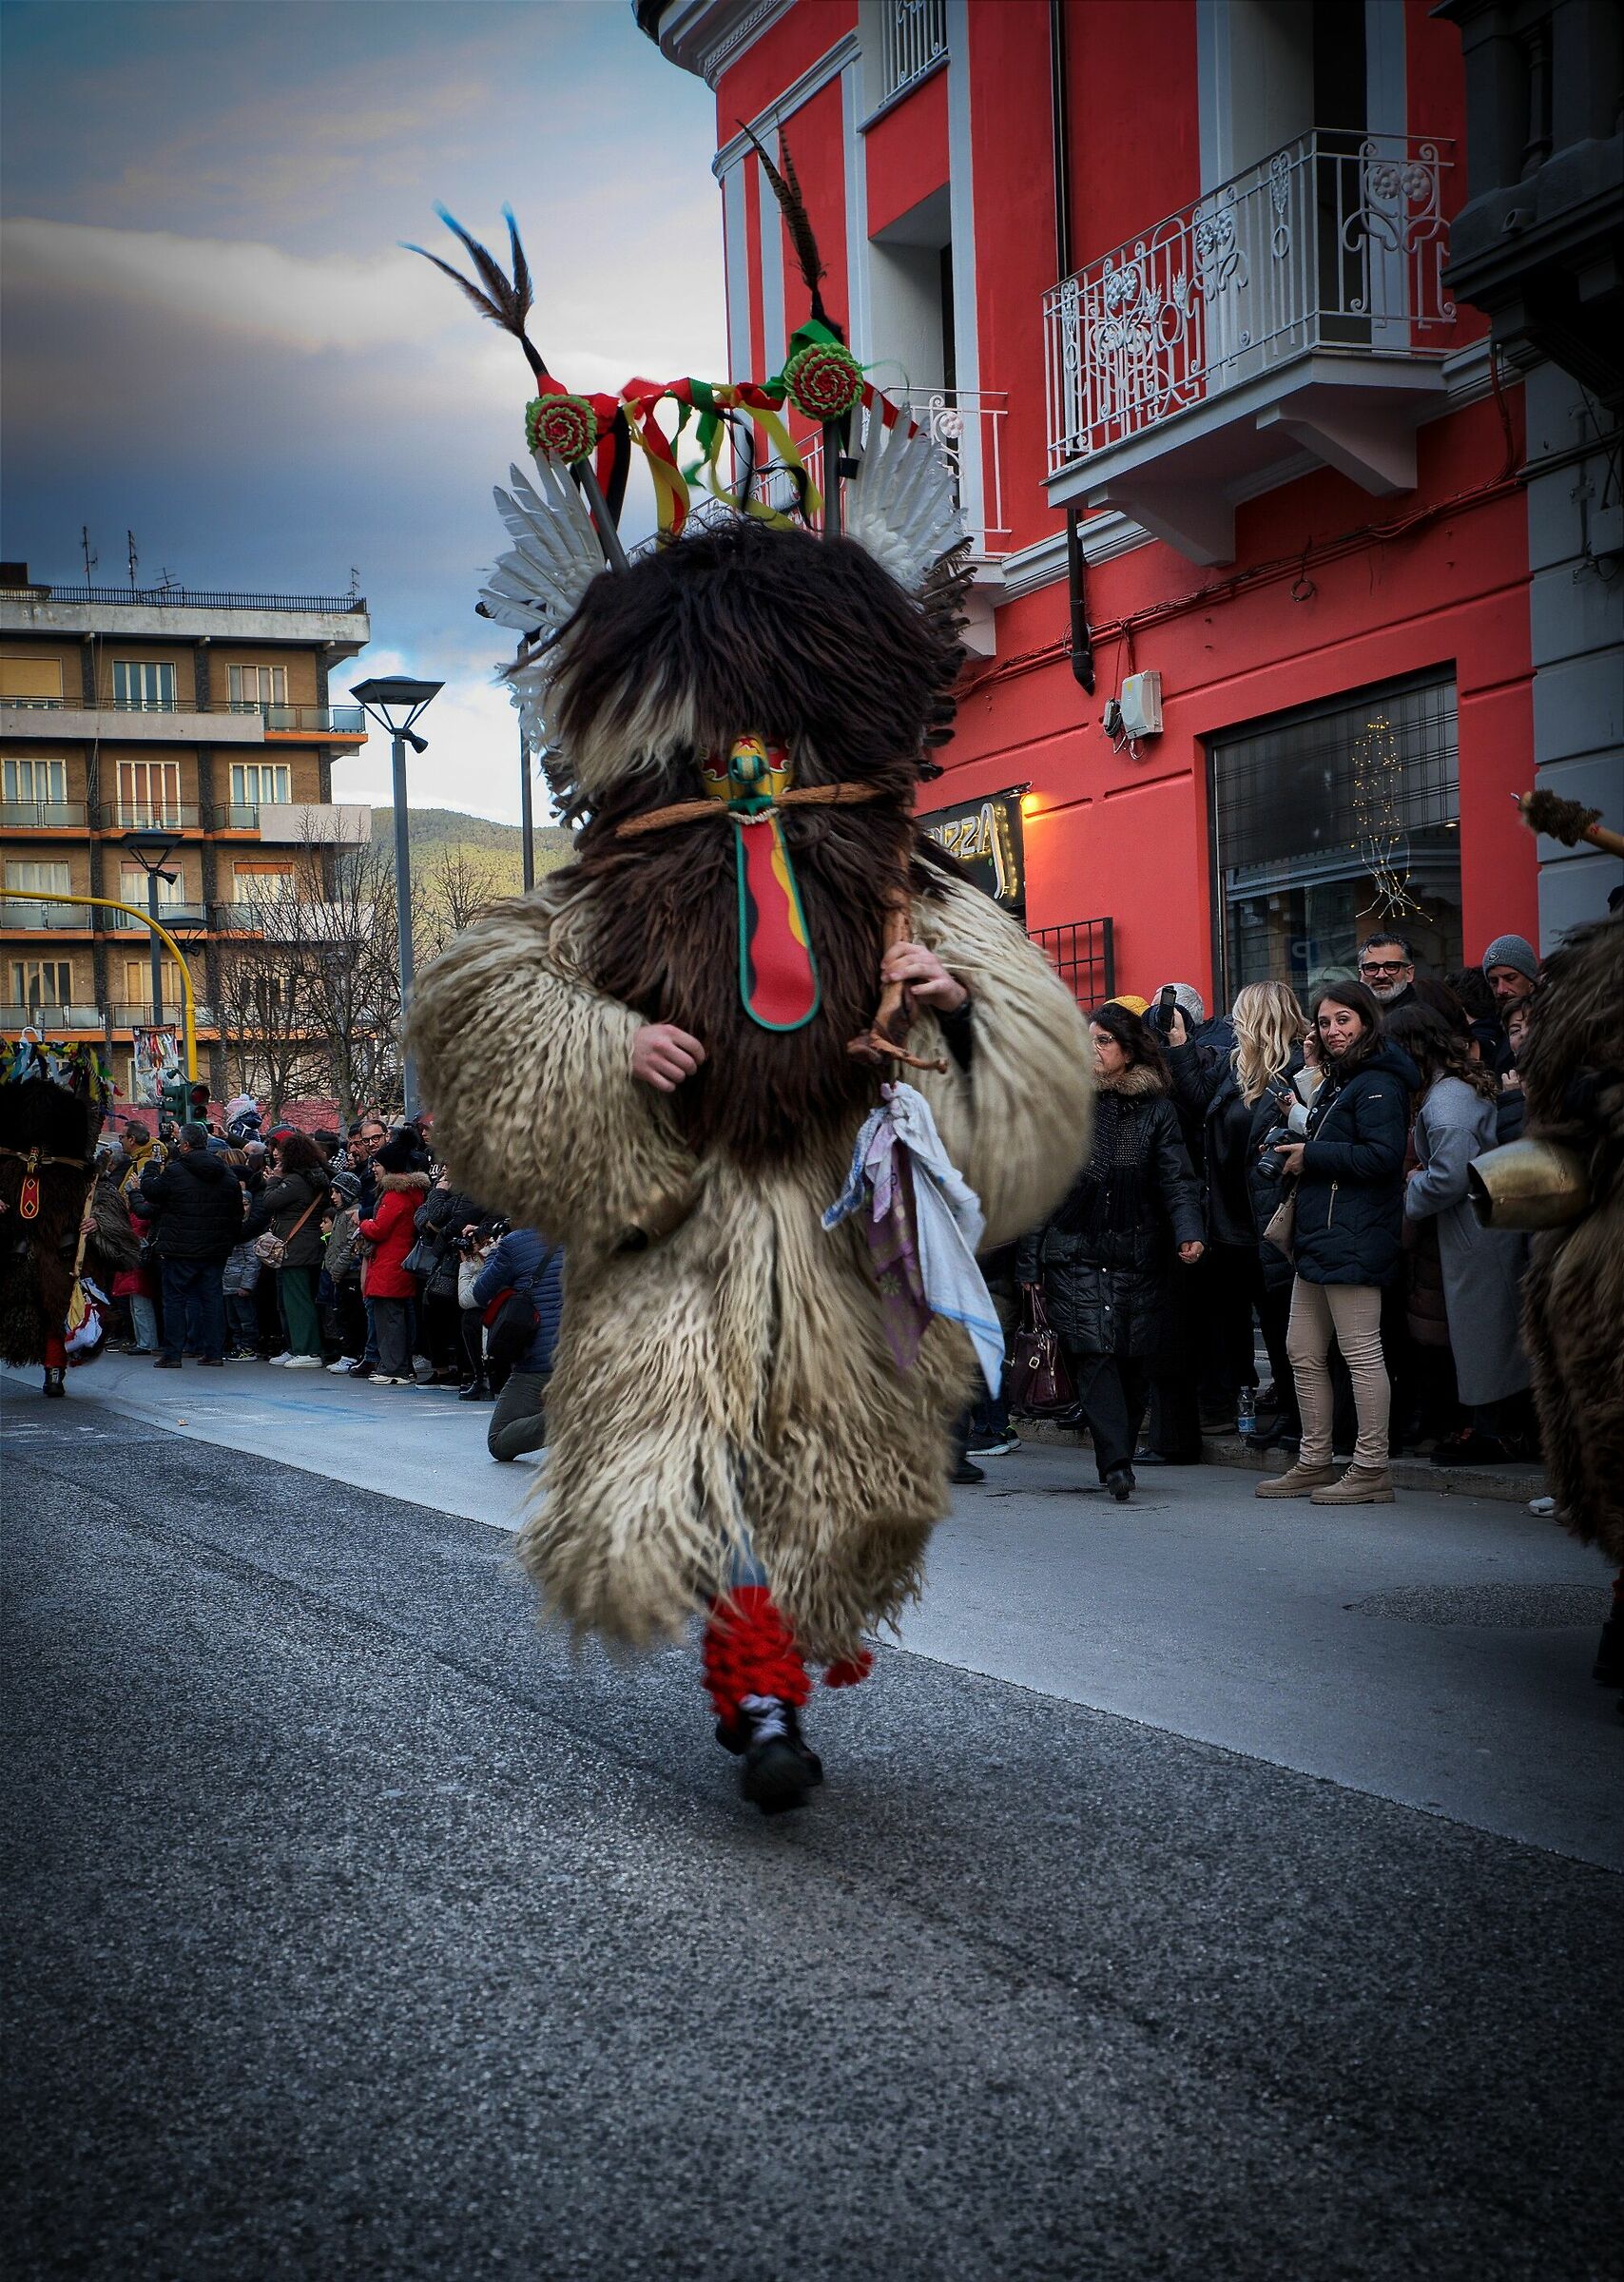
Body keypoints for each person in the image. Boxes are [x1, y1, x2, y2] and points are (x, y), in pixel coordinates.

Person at [409, 197, 1094, 1814]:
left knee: (851, 1507)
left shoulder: (913, 889)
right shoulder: (598, 897)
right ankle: (761, 1703)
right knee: (690, 1487)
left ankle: (793, 1657)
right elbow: (484, 1014)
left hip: (847, 1236)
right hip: (686, 1238)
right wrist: (602, 1046)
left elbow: (1035, 1071)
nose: (752, 767)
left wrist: (950, 1005)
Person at [1016, 1003, 1204, 1501]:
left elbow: (1177, 1180)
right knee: (1094, 1354)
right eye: (1087, 1040)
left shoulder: (1157, 1109)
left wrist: (1189, 1230)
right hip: (1073, 1251)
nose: (1091, 1051)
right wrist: (1029, 1262)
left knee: (1132, 1358)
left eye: (1102, 1041)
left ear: (1129, 1049)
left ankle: (1118, 1447)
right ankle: (1116, 1461)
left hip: (1137, 1251)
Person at [1256, 982, 1418, 1504]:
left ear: (1367, 1022)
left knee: (1361, 1354)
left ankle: (1372, 1468)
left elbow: (1381, 1157)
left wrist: (1312, 1155)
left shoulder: (1378, 1083)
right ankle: (1314, 1460)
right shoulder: (1344, 1080)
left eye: (1343, 1020)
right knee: (1301, 1350)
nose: (1334, 1031)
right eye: (1325, 1023)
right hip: (1322, 1236)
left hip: (1356, 1237)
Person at [1386, 1004, 1531, 1464]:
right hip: (1482, 1225)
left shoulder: (1446, 1099)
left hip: (1475, 1231)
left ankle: (1496, 1434)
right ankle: (1492, 1430)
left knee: (1485, 1334)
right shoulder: (1456, 1087)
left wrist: (1415, 1187)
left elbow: (1450, 1177)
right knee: (1487, 1333)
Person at [1231, 981, 1319, 1445]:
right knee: (1276, 1319)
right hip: (1254, 1216)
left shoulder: (1296, 1071)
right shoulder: (1249, 1072)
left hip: (1284, 1214)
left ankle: (1298, 1416)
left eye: (1240, 1016)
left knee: (1291, 1323)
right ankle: (1289, 1410)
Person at [139, 1121, 243, 1367]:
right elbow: (236, 1211)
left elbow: (152, 1192)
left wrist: (151, 1167)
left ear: (184, 1144)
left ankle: (173, 1353)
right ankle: (213, 1352)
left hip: (180, 1247)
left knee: (175, 1299)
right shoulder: (226, 1172)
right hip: (215, 1248)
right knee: (212, 1299)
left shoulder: (175, 1171)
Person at [472, 1225, 565, 1460]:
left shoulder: (515, 1243)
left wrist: (494, 1251)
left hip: (541, 1361)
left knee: (499, 1440)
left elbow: (481, 1293)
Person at [242, 1131, 331, 1367]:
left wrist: (274, 1178)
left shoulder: (295, 1181)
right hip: (309, 1245)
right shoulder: (316, 1177)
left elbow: (269, 1201)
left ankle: (306, 1350)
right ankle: (300, 1347)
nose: (275, 1155)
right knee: (303, 1299)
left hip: (296, 1246)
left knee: (297, 1301)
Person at [356, 1134, 430, 1385]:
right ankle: (401, 1367)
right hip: (400, 1262)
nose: (374, 1169)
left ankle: (393, 1368)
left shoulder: (395, 1196)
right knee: (398, 1317)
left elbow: (379, 1229)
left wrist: (363, 1223)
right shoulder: (413, 1193)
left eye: (377, 1165)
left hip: (389, 1263)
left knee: (389, 1319)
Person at [1481, 933, 1539, 1066]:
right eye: (1494, 981)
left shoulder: (1555, 1023)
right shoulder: (1493, 1026)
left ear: (1531, 979)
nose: (1501, 989)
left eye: (1510, 978)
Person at [1356, 933, 1419, 1013]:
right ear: (1361, 974)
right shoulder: (1357, 1015)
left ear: (1409, 973)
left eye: (1391, 967)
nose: (1381, 975)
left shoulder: (1417, 1019)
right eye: (1372, 967)